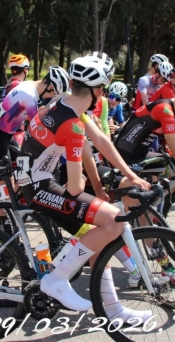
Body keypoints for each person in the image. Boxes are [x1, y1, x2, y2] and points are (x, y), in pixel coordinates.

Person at [21, 56, 152, 320]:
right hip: (39, 186)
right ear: (99, 91)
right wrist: (84, 180)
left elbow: (101, 139)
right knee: (113, 221)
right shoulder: (72, 126)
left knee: (99, 235)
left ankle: (113, 309)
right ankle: (56, 279)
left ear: (72, 84)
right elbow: (73, 188)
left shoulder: (61, 102)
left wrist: (130, 175)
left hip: (36, 178)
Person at [0, 66, 69, 161]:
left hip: (5, 134)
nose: (51, 96)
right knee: (6, 169)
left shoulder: (29, 85)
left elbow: (17, 113)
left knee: (19, 163)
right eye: (54, 94)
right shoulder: (29, 95)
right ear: (50, 87)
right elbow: (35, 126)